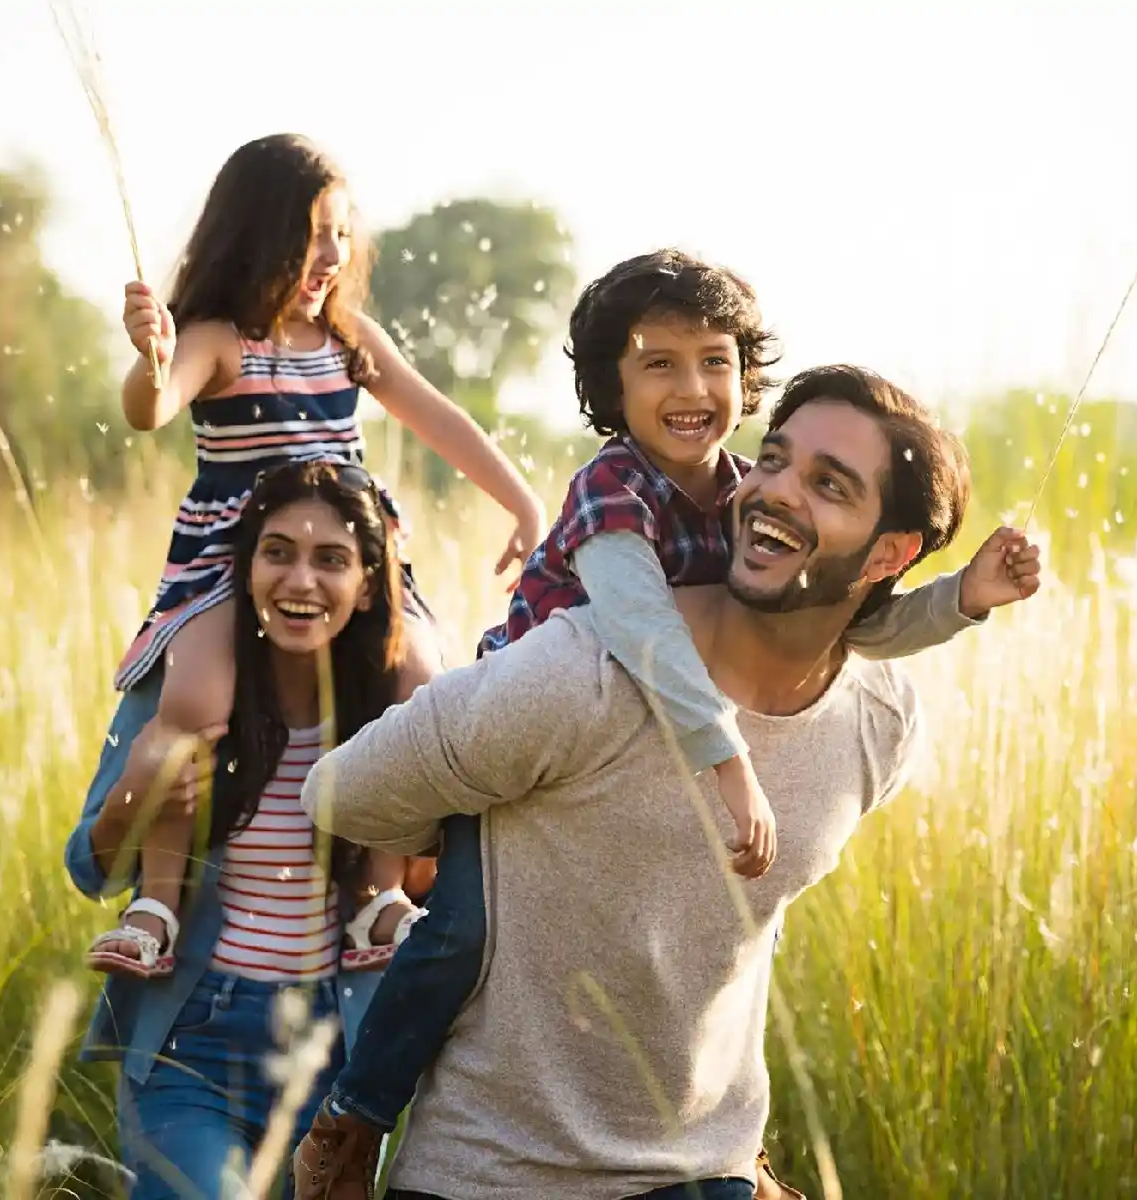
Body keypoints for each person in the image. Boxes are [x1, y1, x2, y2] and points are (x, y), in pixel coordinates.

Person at [292, 250, 1007, 1199]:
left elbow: (869, 621)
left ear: (891, 551)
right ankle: (353, 1120)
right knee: (458, 931)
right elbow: (638, 627)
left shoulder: (870, 714)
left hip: (702, 1173)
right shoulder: (602, 541)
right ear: (610, 387)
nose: (781, 490)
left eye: (714, 362)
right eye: (656, 363)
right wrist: (474, 816)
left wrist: (965, 599)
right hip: (495, 1164)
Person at [84, 132, 546, 982]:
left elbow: (438, 418)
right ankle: (156, 901)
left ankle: (377, 894)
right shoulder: (220, 338)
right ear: (253, 235)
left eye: (340, 232)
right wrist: (150, 357)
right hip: (234, 566)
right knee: (196, 695)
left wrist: (520, 499)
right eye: (308, 234)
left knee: (415, 685)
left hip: (350, 567)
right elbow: (152, 407)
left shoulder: (348, 341)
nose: (329, 255)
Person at [62, 459, 438, 1195]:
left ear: (367, 585)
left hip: (339, 1047)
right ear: (247, 566)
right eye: (278, 554)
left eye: (331, 560)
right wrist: (138, 789)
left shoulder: (390, 713)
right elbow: (91, 867)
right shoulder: (182, 688)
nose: (300, 582)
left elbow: (431, 887)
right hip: (191, 1037)